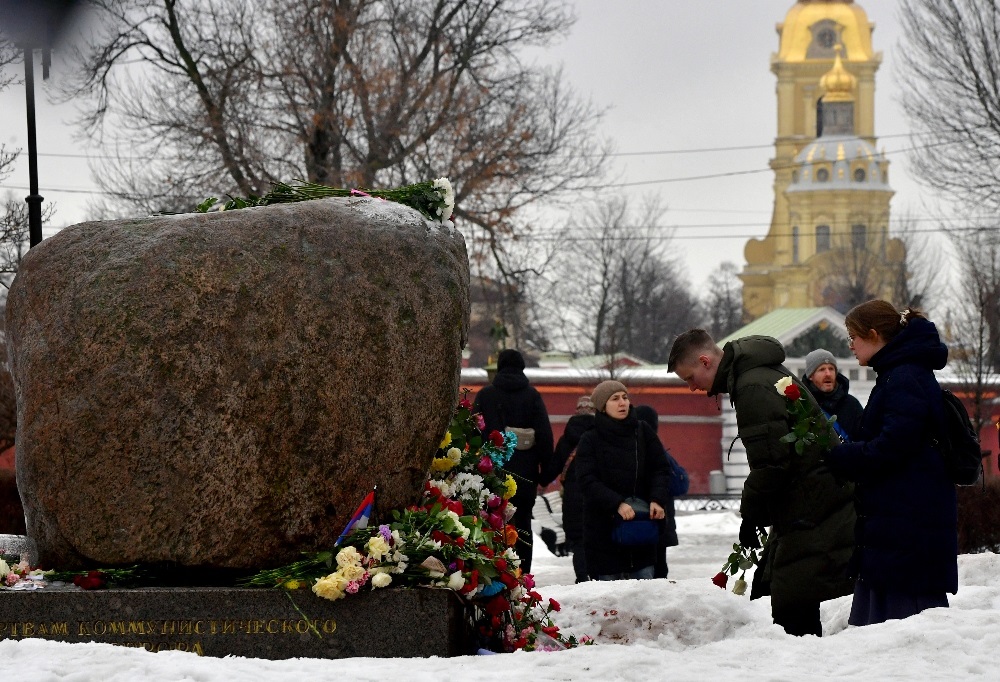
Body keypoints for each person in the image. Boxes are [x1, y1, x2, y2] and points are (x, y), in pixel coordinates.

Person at [668, 330, 855, 636]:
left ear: (705, 361)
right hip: (812, 500)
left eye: (690, 378)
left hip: (809, 505)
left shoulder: (751, 386)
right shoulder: (757, 374)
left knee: (792, 605)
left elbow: (771, 463)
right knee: (794, 596)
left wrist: (751, 514)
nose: (691, 388)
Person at [823, 301, 958, 626]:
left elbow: (894, 447)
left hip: (907, 527)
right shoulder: (900, 374)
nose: (851, 345)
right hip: (901, 526)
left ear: (873, 334)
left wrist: (842, 456)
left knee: (903, 630)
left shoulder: (904, 377)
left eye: (853, 336)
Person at [575, 380, 671, 581]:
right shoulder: (590, 439)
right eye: (615, 399)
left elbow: (660, 469)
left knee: (643, 598)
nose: (622, 403)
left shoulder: (643, 432)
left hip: (641, 530)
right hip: (603, 533)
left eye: (625, 398)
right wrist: (616, 503)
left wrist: (657, 499)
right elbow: (586, 480)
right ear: (602, 406)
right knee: (609, 603)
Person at [473, 349, 554, 574]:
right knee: (523, 526)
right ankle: (522, 575)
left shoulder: (485, 395)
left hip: (491, 474)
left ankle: (496, 573)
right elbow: (545, 437)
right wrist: (545, 474)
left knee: (492, 524)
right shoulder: (532, 396)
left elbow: (474, 432)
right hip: (525, 474)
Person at [553, 395, 597, 583]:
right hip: (595, 493)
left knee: (578, 541)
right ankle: (596, 576)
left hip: (572, 495)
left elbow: (554, 465)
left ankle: (581, 578)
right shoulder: (601, 434)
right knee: (596, 537)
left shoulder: (567, 437)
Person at [633, 405, 679, 579]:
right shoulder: (660, 448)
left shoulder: (637, 449)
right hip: (663, 517)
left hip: (643, 517)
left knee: (644, 565)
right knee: (660, 564)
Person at [802, 348, 864, 442]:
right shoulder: (802, 405)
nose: (828, 374)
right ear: (810, 376)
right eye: (821, 369)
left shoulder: (852, 404)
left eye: (831, 369)